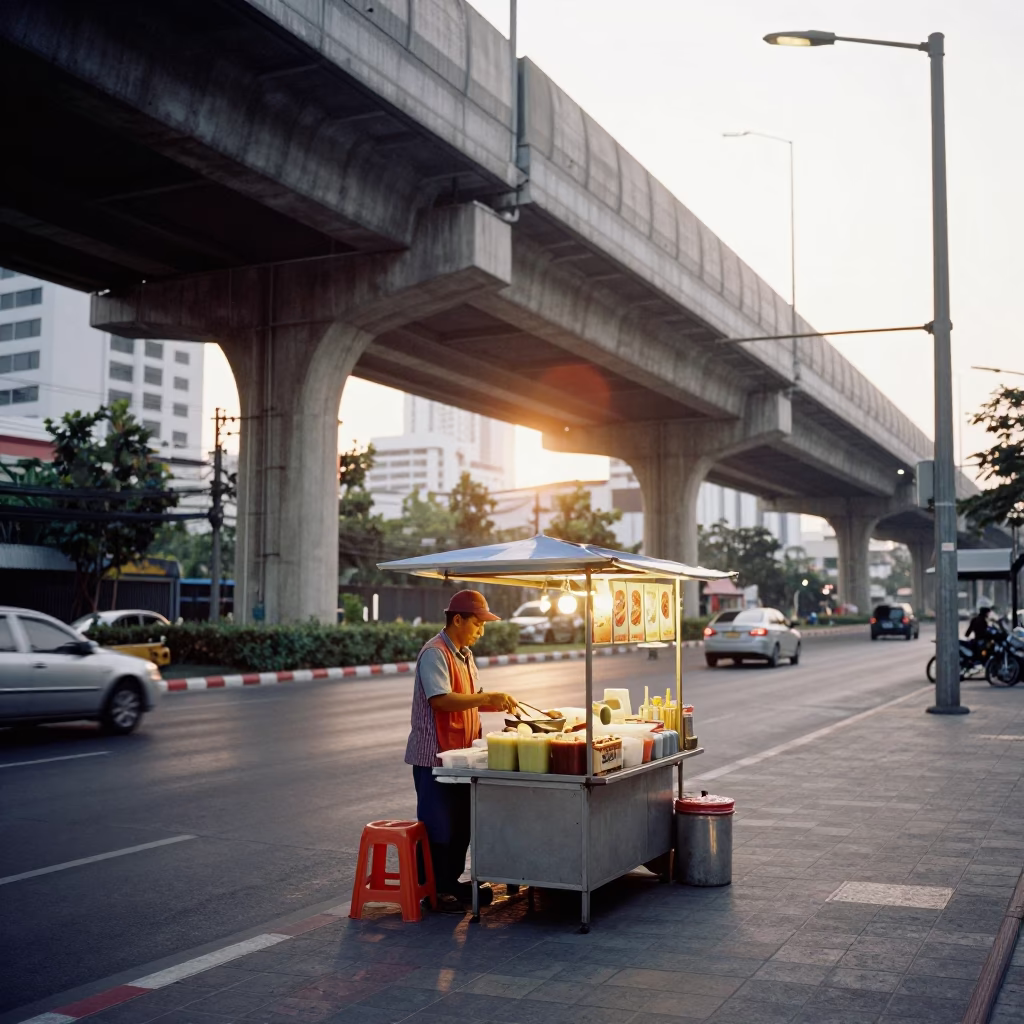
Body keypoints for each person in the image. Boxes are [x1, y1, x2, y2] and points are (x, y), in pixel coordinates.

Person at [405, 589, 518, 910]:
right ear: (458, 620)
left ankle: (449, 883)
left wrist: (500, 703)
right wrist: (486, 698)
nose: (481, 631)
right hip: (434, 757)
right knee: (438, 825)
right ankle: (434, 890)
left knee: (460, 824)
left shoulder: (465, 655)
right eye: (477, 624)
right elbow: (441, 700)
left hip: (460, 757)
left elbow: (471, 698)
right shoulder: (435, 653)